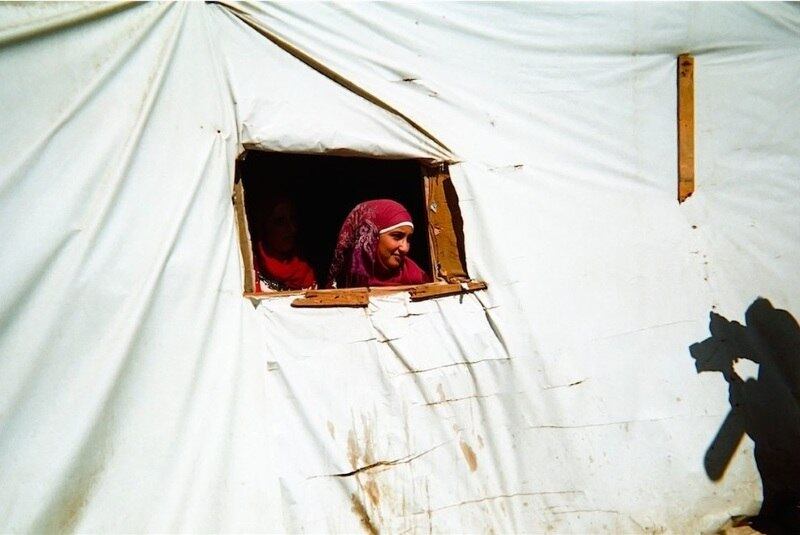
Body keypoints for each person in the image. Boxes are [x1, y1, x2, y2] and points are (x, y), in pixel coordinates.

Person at [327, 199, 430, 288]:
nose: (405, 248)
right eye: (397, 236)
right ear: (371, 237)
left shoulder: (417, 279)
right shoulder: (344, 280)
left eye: (408, 239)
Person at [252, 195, 316, 291]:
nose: (292, 229)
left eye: (292, 219)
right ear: (265, 226)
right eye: (280, 222)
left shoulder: (304, 269)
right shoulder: (251, 268)